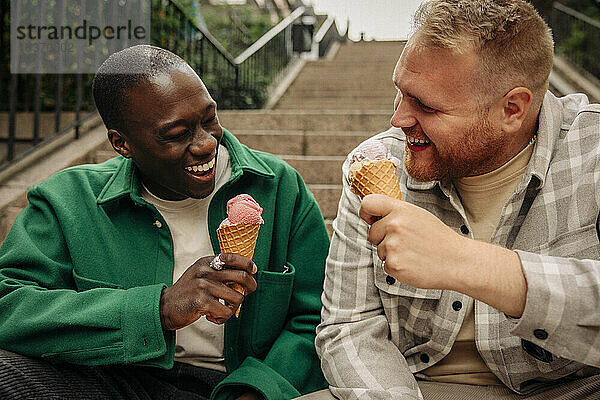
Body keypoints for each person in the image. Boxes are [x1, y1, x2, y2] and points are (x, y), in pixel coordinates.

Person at [0, 45, 330, 400]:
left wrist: (260, 389)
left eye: (209, 119)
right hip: (115, 379)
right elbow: (10, 306)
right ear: (121, 143)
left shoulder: (280, 187)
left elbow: (318, 317)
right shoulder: (66, 200)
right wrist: (159, 309)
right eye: (176, 134)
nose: (206, 144)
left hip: (238, 385)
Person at [314, 0, 600, 399]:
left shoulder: (593, 152)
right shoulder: (378, 163)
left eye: (426, 106)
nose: (398, 119)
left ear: (512, 109)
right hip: (411, 387)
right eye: (401, 92)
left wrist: (467, 263)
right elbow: (349, 326)